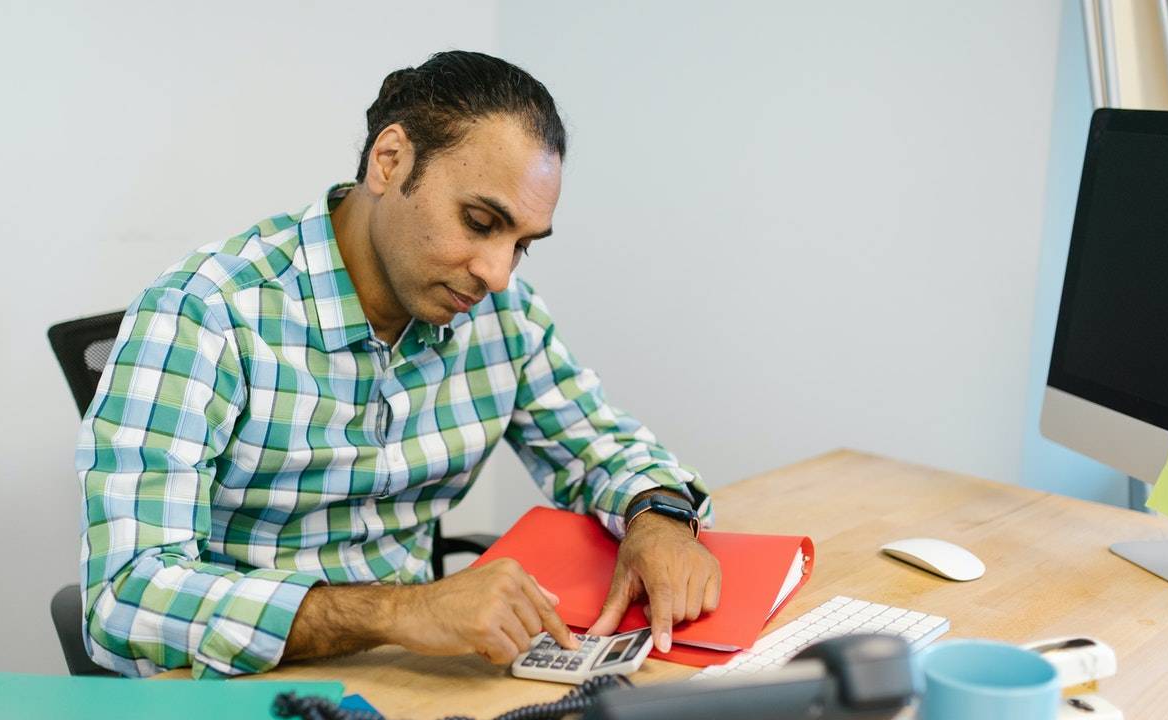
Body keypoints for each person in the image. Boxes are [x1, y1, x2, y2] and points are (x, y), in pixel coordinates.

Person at [76, 50, 719, 679]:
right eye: (478, 221)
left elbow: (601, 446)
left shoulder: (500, 313)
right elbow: (125, 597)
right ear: (390, 161)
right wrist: (397, 612)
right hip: (240, 700)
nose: (497, 274)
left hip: (414, 683)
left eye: (521, 244)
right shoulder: (205, 314)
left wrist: (658, 517)